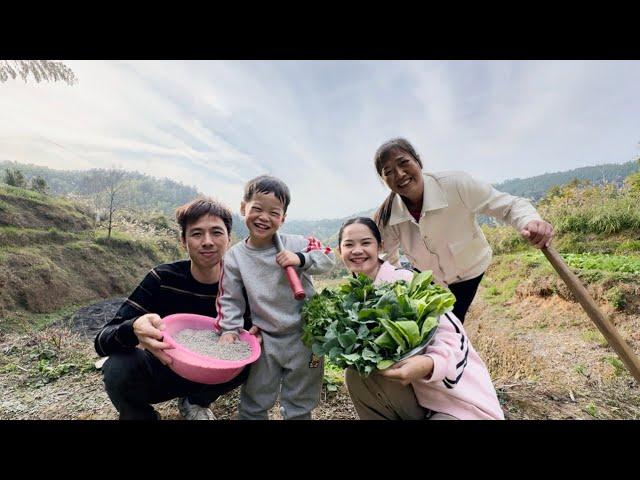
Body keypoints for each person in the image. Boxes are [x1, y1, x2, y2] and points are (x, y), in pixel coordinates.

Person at [94, 198, 258, 420]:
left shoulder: (244, 287)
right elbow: (102, 340)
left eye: (217, 233)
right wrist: (133, 328)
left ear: (229, 238)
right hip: (164, 367)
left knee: (257, 353)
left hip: (214, 374)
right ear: (183, 240)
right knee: (117, 366)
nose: (207, 241)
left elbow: (253, 336)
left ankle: (195, 402)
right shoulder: (162, 279)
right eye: (197, 233)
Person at [338, 217, 504, 420]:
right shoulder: (353, 298)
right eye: (349, 244)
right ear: (340, 251)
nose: (357, 250)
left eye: (365, 243)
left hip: (453, 401)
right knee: (357, 375)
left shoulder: (406, 281)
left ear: (380, 246)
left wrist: (429, 364)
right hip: (416, 399)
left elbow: (454, 335)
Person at [374, 137, 554, 323]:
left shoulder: (455, 184)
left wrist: (530, 221)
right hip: (431, 281)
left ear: (417, 161)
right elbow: (386, 257)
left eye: (404, 163)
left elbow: (508, 206)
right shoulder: (387, 217)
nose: (400, 174)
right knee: (436, 327)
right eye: (389, 172)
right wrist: (398, 285)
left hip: (470, 271)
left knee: (451, 324)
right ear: (383, 180)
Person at [217, 175, 335, 420]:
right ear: (243, 208)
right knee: (255, 400)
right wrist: (229, 329)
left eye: (274, 212)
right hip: (266, 338)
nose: (264, 217)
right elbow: (230, 299)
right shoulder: (234, 257)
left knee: (300, 402)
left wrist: (300, 259)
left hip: (306, 338)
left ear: (283, 218)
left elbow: (328, 256)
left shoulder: (296, 243)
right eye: (257, 208)